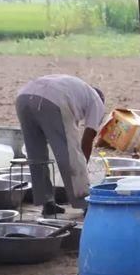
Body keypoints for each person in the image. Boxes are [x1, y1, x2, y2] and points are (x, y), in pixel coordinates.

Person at [15, 75, 106, 216]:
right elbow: (87, 138)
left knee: (36, 154)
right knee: (71, 154)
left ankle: (47, 203)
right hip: (52, 100)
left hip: (23, 97)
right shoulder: (97, 101)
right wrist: (82, 166)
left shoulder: (76, 91)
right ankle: (84, 202)